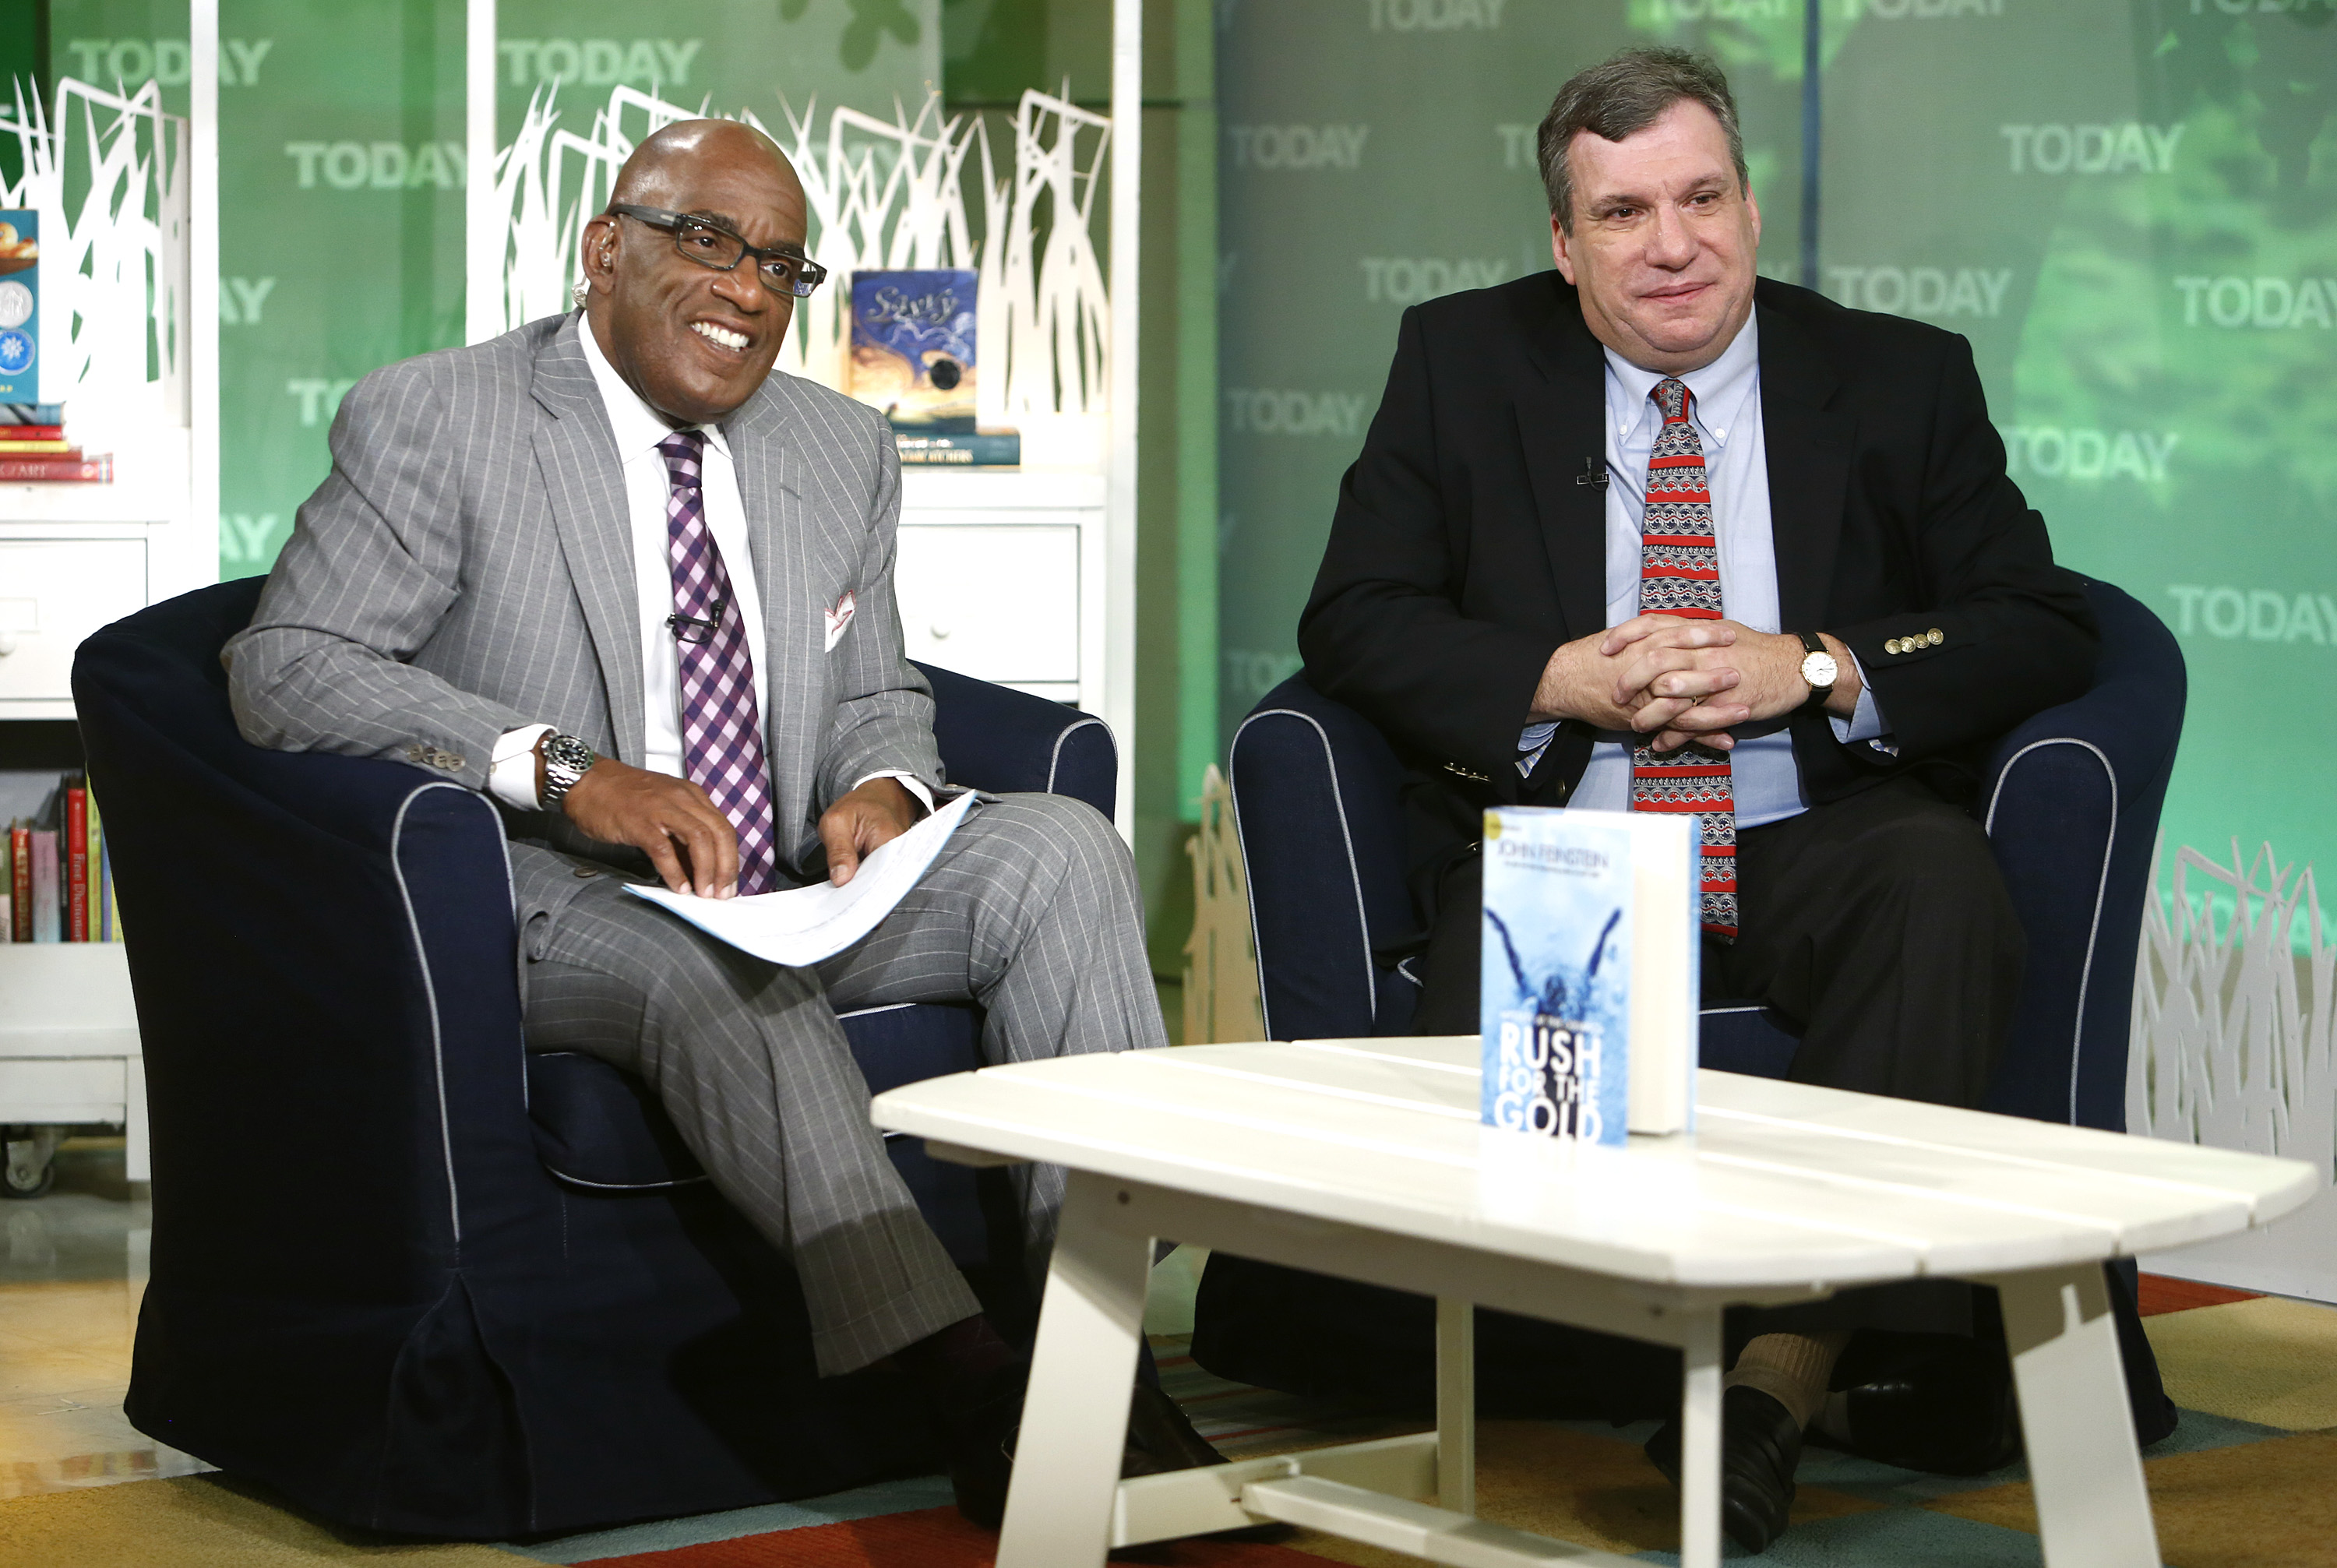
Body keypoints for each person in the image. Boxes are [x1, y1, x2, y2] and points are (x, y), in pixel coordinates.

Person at [224, 118, 1216, 1525]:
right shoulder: (441, 416)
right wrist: (566, 772)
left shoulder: (841, 442)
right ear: (603, 249)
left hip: (803, 880)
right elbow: (287, 663)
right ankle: (971, 1374)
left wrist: (886, 785)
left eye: (780, 263)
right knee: (710, 961)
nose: (748, 287)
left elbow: (880, 688)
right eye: (706, 240)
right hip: (560, 896)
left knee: (1059, 847)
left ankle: (1099, 1344)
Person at [1299, 48, 2099, 1552]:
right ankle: (1643, 1353)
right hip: (1573, 826)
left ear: (1749, 203)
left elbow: (2042, 617)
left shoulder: (1900, 375)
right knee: (1518, 973)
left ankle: (1774, 1386)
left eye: (1701, 197)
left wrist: (1815, 663)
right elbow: (1352, 613)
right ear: (1563, 241)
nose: (1672, 246)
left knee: (1938, 882)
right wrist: (1555, 679)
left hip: (1812, 821)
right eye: (1622, 214)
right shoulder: (1459, 362)